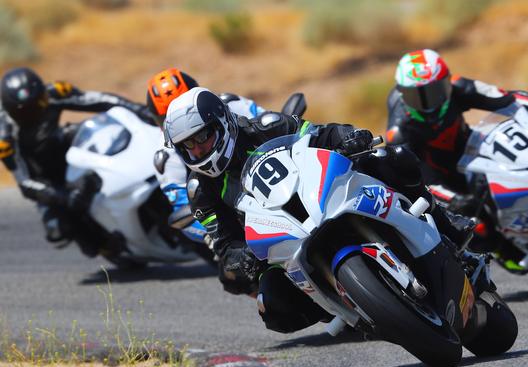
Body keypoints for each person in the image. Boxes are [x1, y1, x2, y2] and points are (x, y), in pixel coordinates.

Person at [163, 87, 475, 333]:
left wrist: (351, 138)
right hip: (281, 241)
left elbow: (321, 133)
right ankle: (350, 307)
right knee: (272, 306)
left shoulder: (266, 127)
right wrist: (237, 256)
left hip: (320, 194)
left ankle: (445, 222)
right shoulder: (200, 191)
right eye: (187, 145)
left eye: (202, 137)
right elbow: (224, 242)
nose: (197, 149)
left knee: (391, 157)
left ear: (223, 122)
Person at [386, 49, 528, 213]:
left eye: (434, 92)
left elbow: (504, 98)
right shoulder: (399, 133)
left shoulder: (459, 86)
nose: (427, 104)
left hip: (470, 148)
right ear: (402, 94)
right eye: (415, 97)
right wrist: (453, 200)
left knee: (526, 165)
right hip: (440, 178)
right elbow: (416, 180)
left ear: (447, 83)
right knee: (477, 227)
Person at [0, 67, 154, 254]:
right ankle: (105, 247)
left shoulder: (53, 94)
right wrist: (61, 197)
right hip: (42, 178)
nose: (35, 113)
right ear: (11, 110)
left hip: (62, 144)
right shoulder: (5, 137)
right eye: (25, 112)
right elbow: (24, 183)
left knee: (104, 132)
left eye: (38, 104)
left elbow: (101, 100)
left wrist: (140, 110)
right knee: (58, 228)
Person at [145, 67, 265, 256]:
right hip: (230, 213)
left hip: (270, 177)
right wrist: (213, 234)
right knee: (234, 267)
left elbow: (270, 125)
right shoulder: (165, 156)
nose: (181, 123)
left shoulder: (231, 104)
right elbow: (182, 208)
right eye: (166, 118)